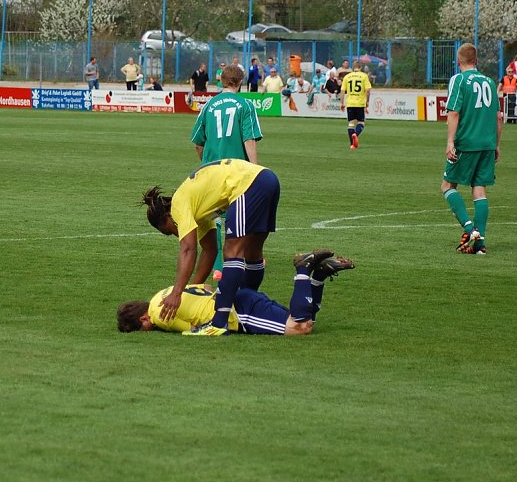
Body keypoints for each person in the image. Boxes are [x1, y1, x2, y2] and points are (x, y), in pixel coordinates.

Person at [140, 158, 280, 337]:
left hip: (246, 184)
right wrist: (193, 288)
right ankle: (248, 301)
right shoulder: (198, 209)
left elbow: (188, 249)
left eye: (169, 231)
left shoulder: (178, 206)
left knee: (233, 251)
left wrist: (176, 293)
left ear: (167, 217)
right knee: (252, 251)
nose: (176, 234)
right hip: (267, 178)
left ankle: (219, 322)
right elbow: (210, 249)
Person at [117, 250, 355, 335]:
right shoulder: (166, 292)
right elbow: (207, 287)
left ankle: (303, 268)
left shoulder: (159, 314)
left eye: (144, 329)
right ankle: (319, 277)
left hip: (238, 314)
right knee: (305, 319)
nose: (150, 330)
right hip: (240, 297)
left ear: (143, 319)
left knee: (300, 328)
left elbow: (191, 329)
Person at [190, 64, 263, 281]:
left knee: (215, 217)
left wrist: (206, 163)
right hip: (237, 170)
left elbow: (198, 143)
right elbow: (248, 139)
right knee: (241, 215)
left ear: (221, 80)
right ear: (240, 82)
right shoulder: (245, 104)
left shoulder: (209, 105)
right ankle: (247, 258)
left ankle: (218, 266)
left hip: (212, 169)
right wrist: (256, 169)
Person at [441, 43, 502, 256]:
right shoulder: (489, 82)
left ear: (459, 62)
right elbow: (498, 117)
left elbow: (454, 112)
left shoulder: (458, 79)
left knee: (447, 186)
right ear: (476, 60)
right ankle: (480, 245)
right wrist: (496, 144)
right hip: (486, 143)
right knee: (479, 190)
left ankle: (470, 229)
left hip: (466, 143)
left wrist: (450, 142)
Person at [340, 60, 372, 150]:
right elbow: (368, 90)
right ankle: (356, 134)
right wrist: (367, 102)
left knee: (351, 123)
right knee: (361, 122)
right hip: (360, 103)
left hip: (350, 103)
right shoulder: (364, 76)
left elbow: (342, 91)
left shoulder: (347, 77)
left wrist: (342, 103)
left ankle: (352, 145)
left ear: (353, 67)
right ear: (361, 67)